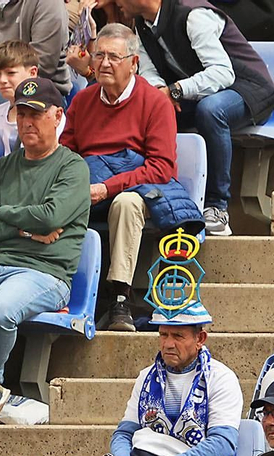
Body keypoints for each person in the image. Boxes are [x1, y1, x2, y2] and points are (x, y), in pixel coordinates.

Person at [0, 75, 90, 423]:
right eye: (22, 113)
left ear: (57, 116)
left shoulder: (72, 166)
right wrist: (22, 228)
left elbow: (51, 217)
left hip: (45, 272)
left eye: (37, 113)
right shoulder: (0, 168)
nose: (28, 121)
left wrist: (2, 213)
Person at [60, 24, 197, 332]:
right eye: (99, 56)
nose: (105, 63)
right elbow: (66, 156)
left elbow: (161, 168)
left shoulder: (156, 102)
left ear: (134, 63)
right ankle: (60, 289)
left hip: (139, 190)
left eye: (114, 57)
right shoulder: (82, 101)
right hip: (89, 185)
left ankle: (120, 298)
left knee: (125, 203)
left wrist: (106, 187)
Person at [115, 0, 274, 236]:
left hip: (248, 88)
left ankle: (217, 207)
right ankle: (163, 198)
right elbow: (149, 71)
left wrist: (176, 90)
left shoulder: (194, 15)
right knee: (153, 110)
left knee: (211, 111)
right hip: (201, 91)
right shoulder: (142, 24)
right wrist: (161, 93)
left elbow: (222, 73)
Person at [85, 301, 243, 456]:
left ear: (200, 339)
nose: (168, 344)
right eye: (163, 335)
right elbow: (124, 433)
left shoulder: (220, 378)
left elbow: (222, 445)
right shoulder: (146, 376)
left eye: (178, 336)